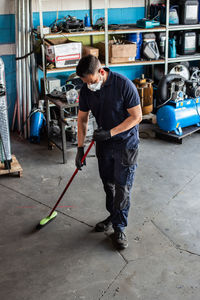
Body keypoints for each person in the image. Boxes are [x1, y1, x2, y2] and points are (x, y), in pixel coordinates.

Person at [75, 55, 142, 249]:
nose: (89, 86)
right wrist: (80, 149)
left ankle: (119, 227)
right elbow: (82, 120)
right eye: (85, 83)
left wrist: (111, 132)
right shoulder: (86, 90)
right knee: (109, 185)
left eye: (92, 81)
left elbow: (137, 117)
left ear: (101, 72)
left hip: (125, 144)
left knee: (122, 187)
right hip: (104, 144)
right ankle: (113, 216)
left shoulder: (123, 85)